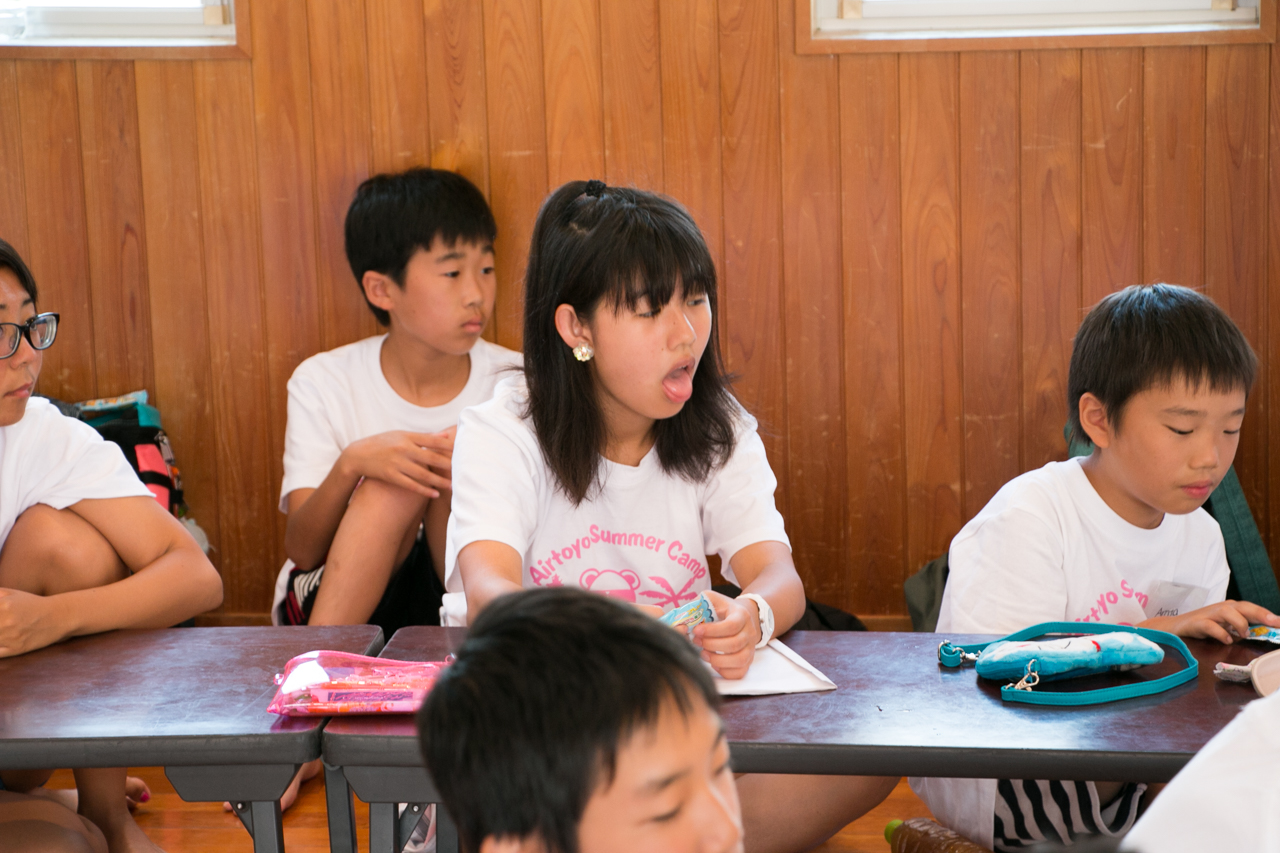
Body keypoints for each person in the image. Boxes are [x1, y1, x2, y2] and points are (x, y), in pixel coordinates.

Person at [445, 180, 896, 853]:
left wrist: (753, 616)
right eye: (651, 309)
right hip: (540, 724)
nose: (686, 333)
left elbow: (776, 574)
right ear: (576, 328)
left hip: (674, 727)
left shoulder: (720, 429)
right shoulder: (503, 430)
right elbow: (489, 592)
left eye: (695, 298)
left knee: (879, 751)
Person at [911, 284, 1280, 851]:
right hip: (1007, 778)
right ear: (1099, 420)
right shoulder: (1032, 513)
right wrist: (1160, 635)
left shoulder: (1202, 534)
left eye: (1230, 428)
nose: (1211, 455)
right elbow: (990, 682)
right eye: (1183, 429)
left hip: (1133, 755)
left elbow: (1189, 691)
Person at [0, 237, 223, 852]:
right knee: (58, 844)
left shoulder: (38, 431)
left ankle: (100, 810)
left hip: (15, 729)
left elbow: (194, 575)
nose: (26, 360)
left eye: (29, 325)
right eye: (0, 333)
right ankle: (46, 810)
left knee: (72, 546)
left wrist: (51, 618)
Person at [272, 167, 521, 634]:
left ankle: (491, 672)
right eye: (452, 273)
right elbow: (303, 550)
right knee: (397, 480)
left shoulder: (517, 379)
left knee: (454, 468)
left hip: (470, 602)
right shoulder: (324, 380)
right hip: (339, 592)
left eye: (486, 269)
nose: (477, 294)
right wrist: (354, 464)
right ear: (381, 289)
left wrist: (467, 464)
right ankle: (310, 676)